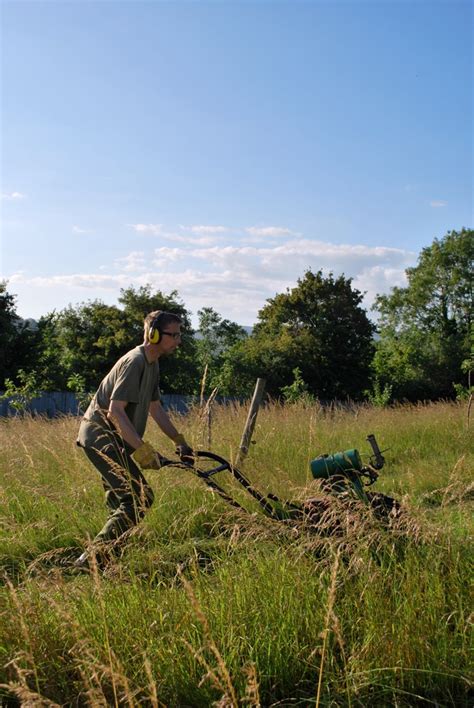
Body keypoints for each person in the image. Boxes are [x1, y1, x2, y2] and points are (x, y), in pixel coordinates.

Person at [75, 310, 192, 568]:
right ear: (154, 334)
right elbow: (115, 412)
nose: (178, 341)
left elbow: (156, 408)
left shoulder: (152, 364)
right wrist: (144, 451)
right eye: (174, 335)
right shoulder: (135, 362)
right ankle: (91, 560)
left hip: (113, 440)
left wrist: (179, 440)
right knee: (140, 497)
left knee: (121, 502)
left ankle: (105, 561)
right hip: (101, 437)